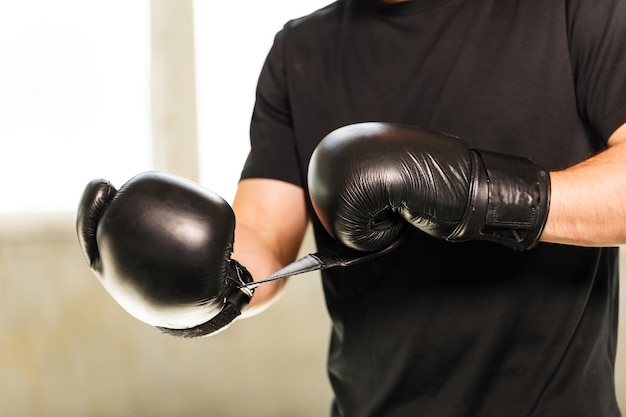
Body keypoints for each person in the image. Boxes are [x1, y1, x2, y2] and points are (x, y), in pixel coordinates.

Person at [77, 0, 626, 415]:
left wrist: (476, 193)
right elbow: (263, 235)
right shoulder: (299, 53)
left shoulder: (568, 8)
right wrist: (185, 277)